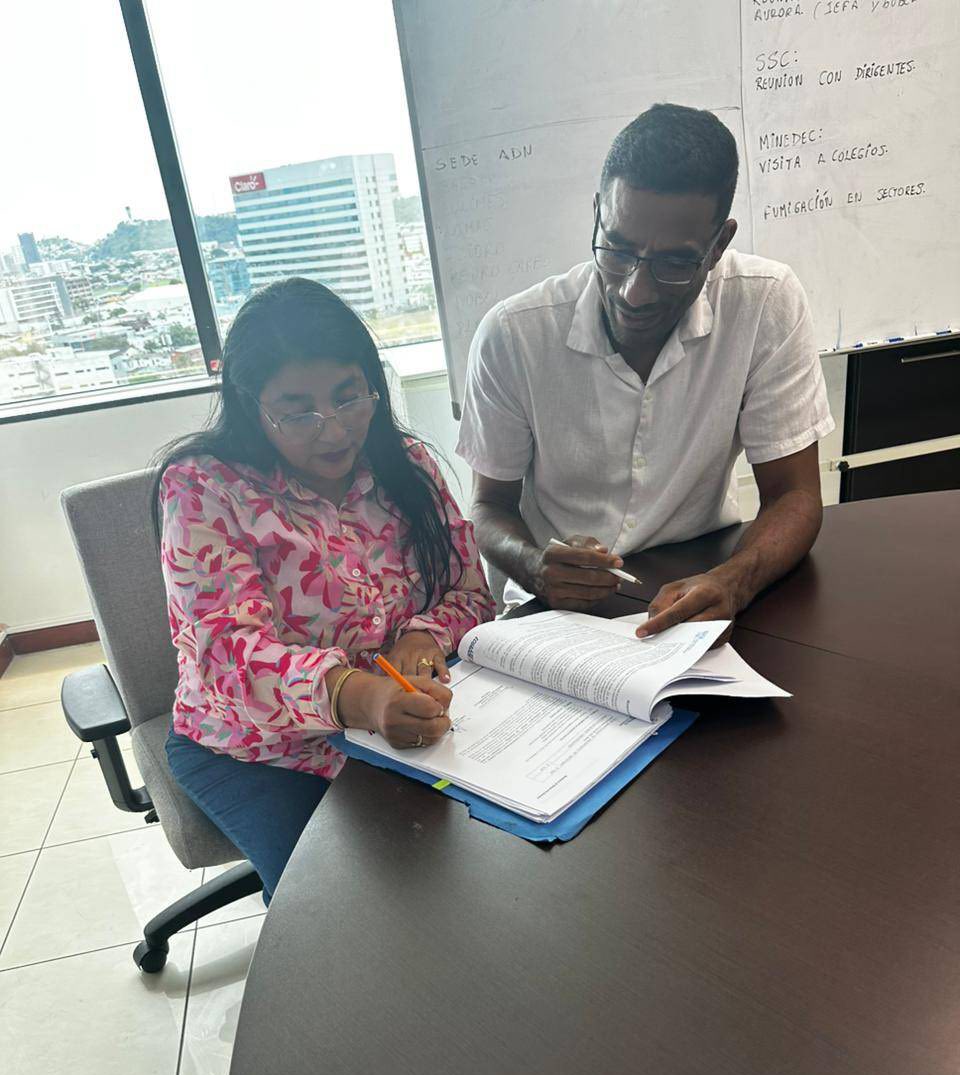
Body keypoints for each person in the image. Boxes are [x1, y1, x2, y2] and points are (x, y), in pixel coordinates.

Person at [154, 278, 495, 901]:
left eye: (348, 398)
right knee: (337, 907)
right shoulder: (205, 488)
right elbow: (226, 658)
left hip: (397, 716)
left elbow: (470, 593)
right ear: (251, 403)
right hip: (258, 747)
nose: (334, 431)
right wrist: (358, 696)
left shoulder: (404, 465)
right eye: (298, 410)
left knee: (481, 867)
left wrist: (423, 636)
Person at [458, 102, 833, 639]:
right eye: (617, 250)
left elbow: (794, 495)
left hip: (704, 573)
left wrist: (735, 581)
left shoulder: (764, 303)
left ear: (719, 245)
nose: (635, 291)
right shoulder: (513, 334)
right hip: (556, 606)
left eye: (674, 264)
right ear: (597, 214)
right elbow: (487, 506)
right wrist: (535, 566)